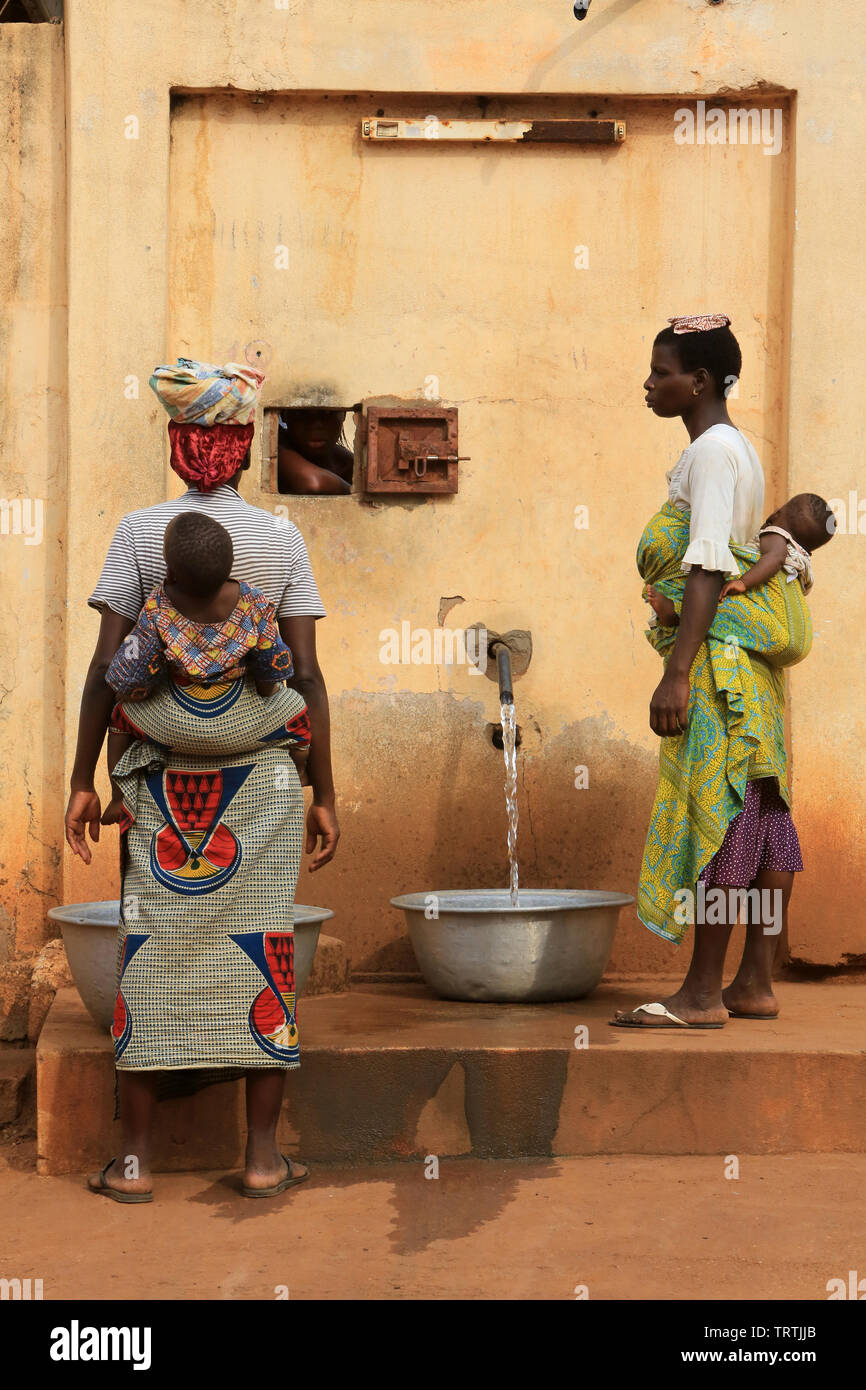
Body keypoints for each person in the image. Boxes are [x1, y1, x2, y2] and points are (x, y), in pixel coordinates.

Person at [64, 357, 339, 1202]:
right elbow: (307, 678)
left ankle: (137, 1163)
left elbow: (108, 670)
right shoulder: (281, 540)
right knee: (264, 951)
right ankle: (261, 1158)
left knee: (149, 954)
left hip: (158, 787)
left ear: (179, 446)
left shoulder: (142, 535)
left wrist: (84, 777)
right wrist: (324, 790)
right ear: (245, 449)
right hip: (258, 789)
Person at [612, 313, 821, 1031]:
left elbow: (706, 565)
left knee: (721, 818)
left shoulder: (710, 454)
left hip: (714, 670)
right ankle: (754, 983)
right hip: (750, 674)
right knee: (763, 817)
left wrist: (676, 672)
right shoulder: (736, 450)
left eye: (660, 370)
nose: (648, 382)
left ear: (697, 381)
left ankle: (701, 993)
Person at [101, 512, 311, 824]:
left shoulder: (159, 606)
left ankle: (119, 797)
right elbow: (273, 665)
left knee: (119, 717)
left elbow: (132, 676)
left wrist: (137, 696)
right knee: (297, 709)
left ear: (170, 572)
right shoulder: (254, 603)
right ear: (230, 566)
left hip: (177, 716)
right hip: (243, 713)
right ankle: (301, 767)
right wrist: (266, 691)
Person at [645, 492, 834, 650]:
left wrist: (743, 582)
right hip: (785, 627)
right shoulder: (803, 560)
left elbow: (775, 558)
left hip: (757, 590)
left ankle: (675, 611)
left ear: (776, 514)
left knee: (713, 603)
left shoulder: (776, 535)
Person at [277, 407, 355, 494]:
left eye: (328, 412)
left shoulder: (348, 465)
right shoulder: (274, 442)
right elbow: (313, 483)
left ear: (344, 414)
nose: (316, 424)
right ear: (282, 413)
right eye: (302, 412)